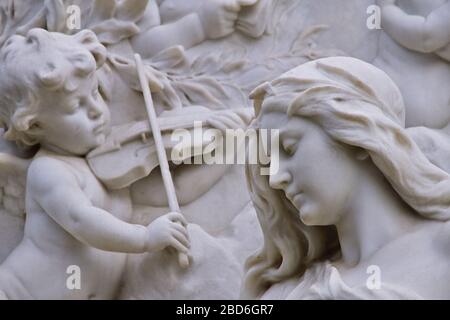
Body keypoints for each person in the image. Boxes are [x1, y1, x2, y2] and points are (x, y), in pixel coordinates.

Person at [0, 28, 189, 299]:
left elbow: (171, 192)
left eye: (96, 93)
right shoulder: (49, 171)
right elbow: (81, 220)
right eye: (76, 106)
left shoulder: (108, 165)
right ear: (34, 126)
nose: (96, 110)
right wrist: (145, 238)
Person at [242, 57, 450, 299]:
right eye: (270, 164)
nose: (275, 178)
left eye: (289, 148)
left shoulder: (442, 251)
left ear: (360, 140)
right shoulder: (284, 293)